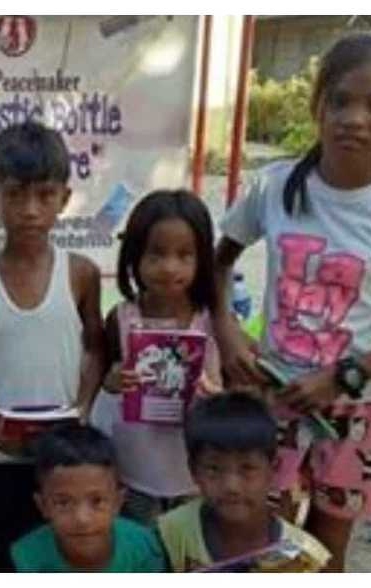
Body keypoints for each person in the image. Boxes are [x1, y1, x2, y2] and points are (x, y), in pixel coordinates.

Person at [213, 32, 371, 571]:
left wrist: (345, 375)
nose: (355, 118)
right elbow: (219, 261)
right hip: (274, 398)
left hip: (355, 409)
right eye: (341, 100)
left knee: (324, 553)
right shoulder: (272, 188)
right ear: (317, 105)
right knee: (257, 537)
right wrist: (228, 332)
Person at [0, 121, 104, 571]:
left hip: (63, 448)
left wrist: (81, 407)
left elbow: (96, 349)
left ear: (64, 199)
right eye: (15, 195)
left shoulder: (81, 274)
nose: (31, 210)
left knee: (64, 547)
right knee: (5, 552)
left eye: (44, 195)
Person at [95, 189, 222, 525]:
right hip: (134, 470)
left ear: (202, 259)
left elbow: (233, 399)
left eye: (185, 255)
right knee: (143, 556)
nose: (169, 268)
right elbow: (103, 389)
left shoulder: (212, 321)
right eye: (155, 254)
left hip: (193, 473)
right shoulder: (121, 318)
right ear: (133, 257)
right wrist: (112, 382)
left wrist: (213, 396)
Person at [157, 393, 330, 572]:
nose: (231, 486)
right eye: (214, 469)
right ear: (193, 471)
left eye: (247, 468)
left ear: (274, 469)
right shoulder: (169, 534)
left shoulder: (304, 557)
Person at [10, 424, 166, 572]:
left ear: (118, 502)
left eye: (96, 501)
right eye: (64, 503)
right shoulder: (26, 557)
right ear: (42, 505)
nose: (82, 519)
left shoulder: (143, 547)